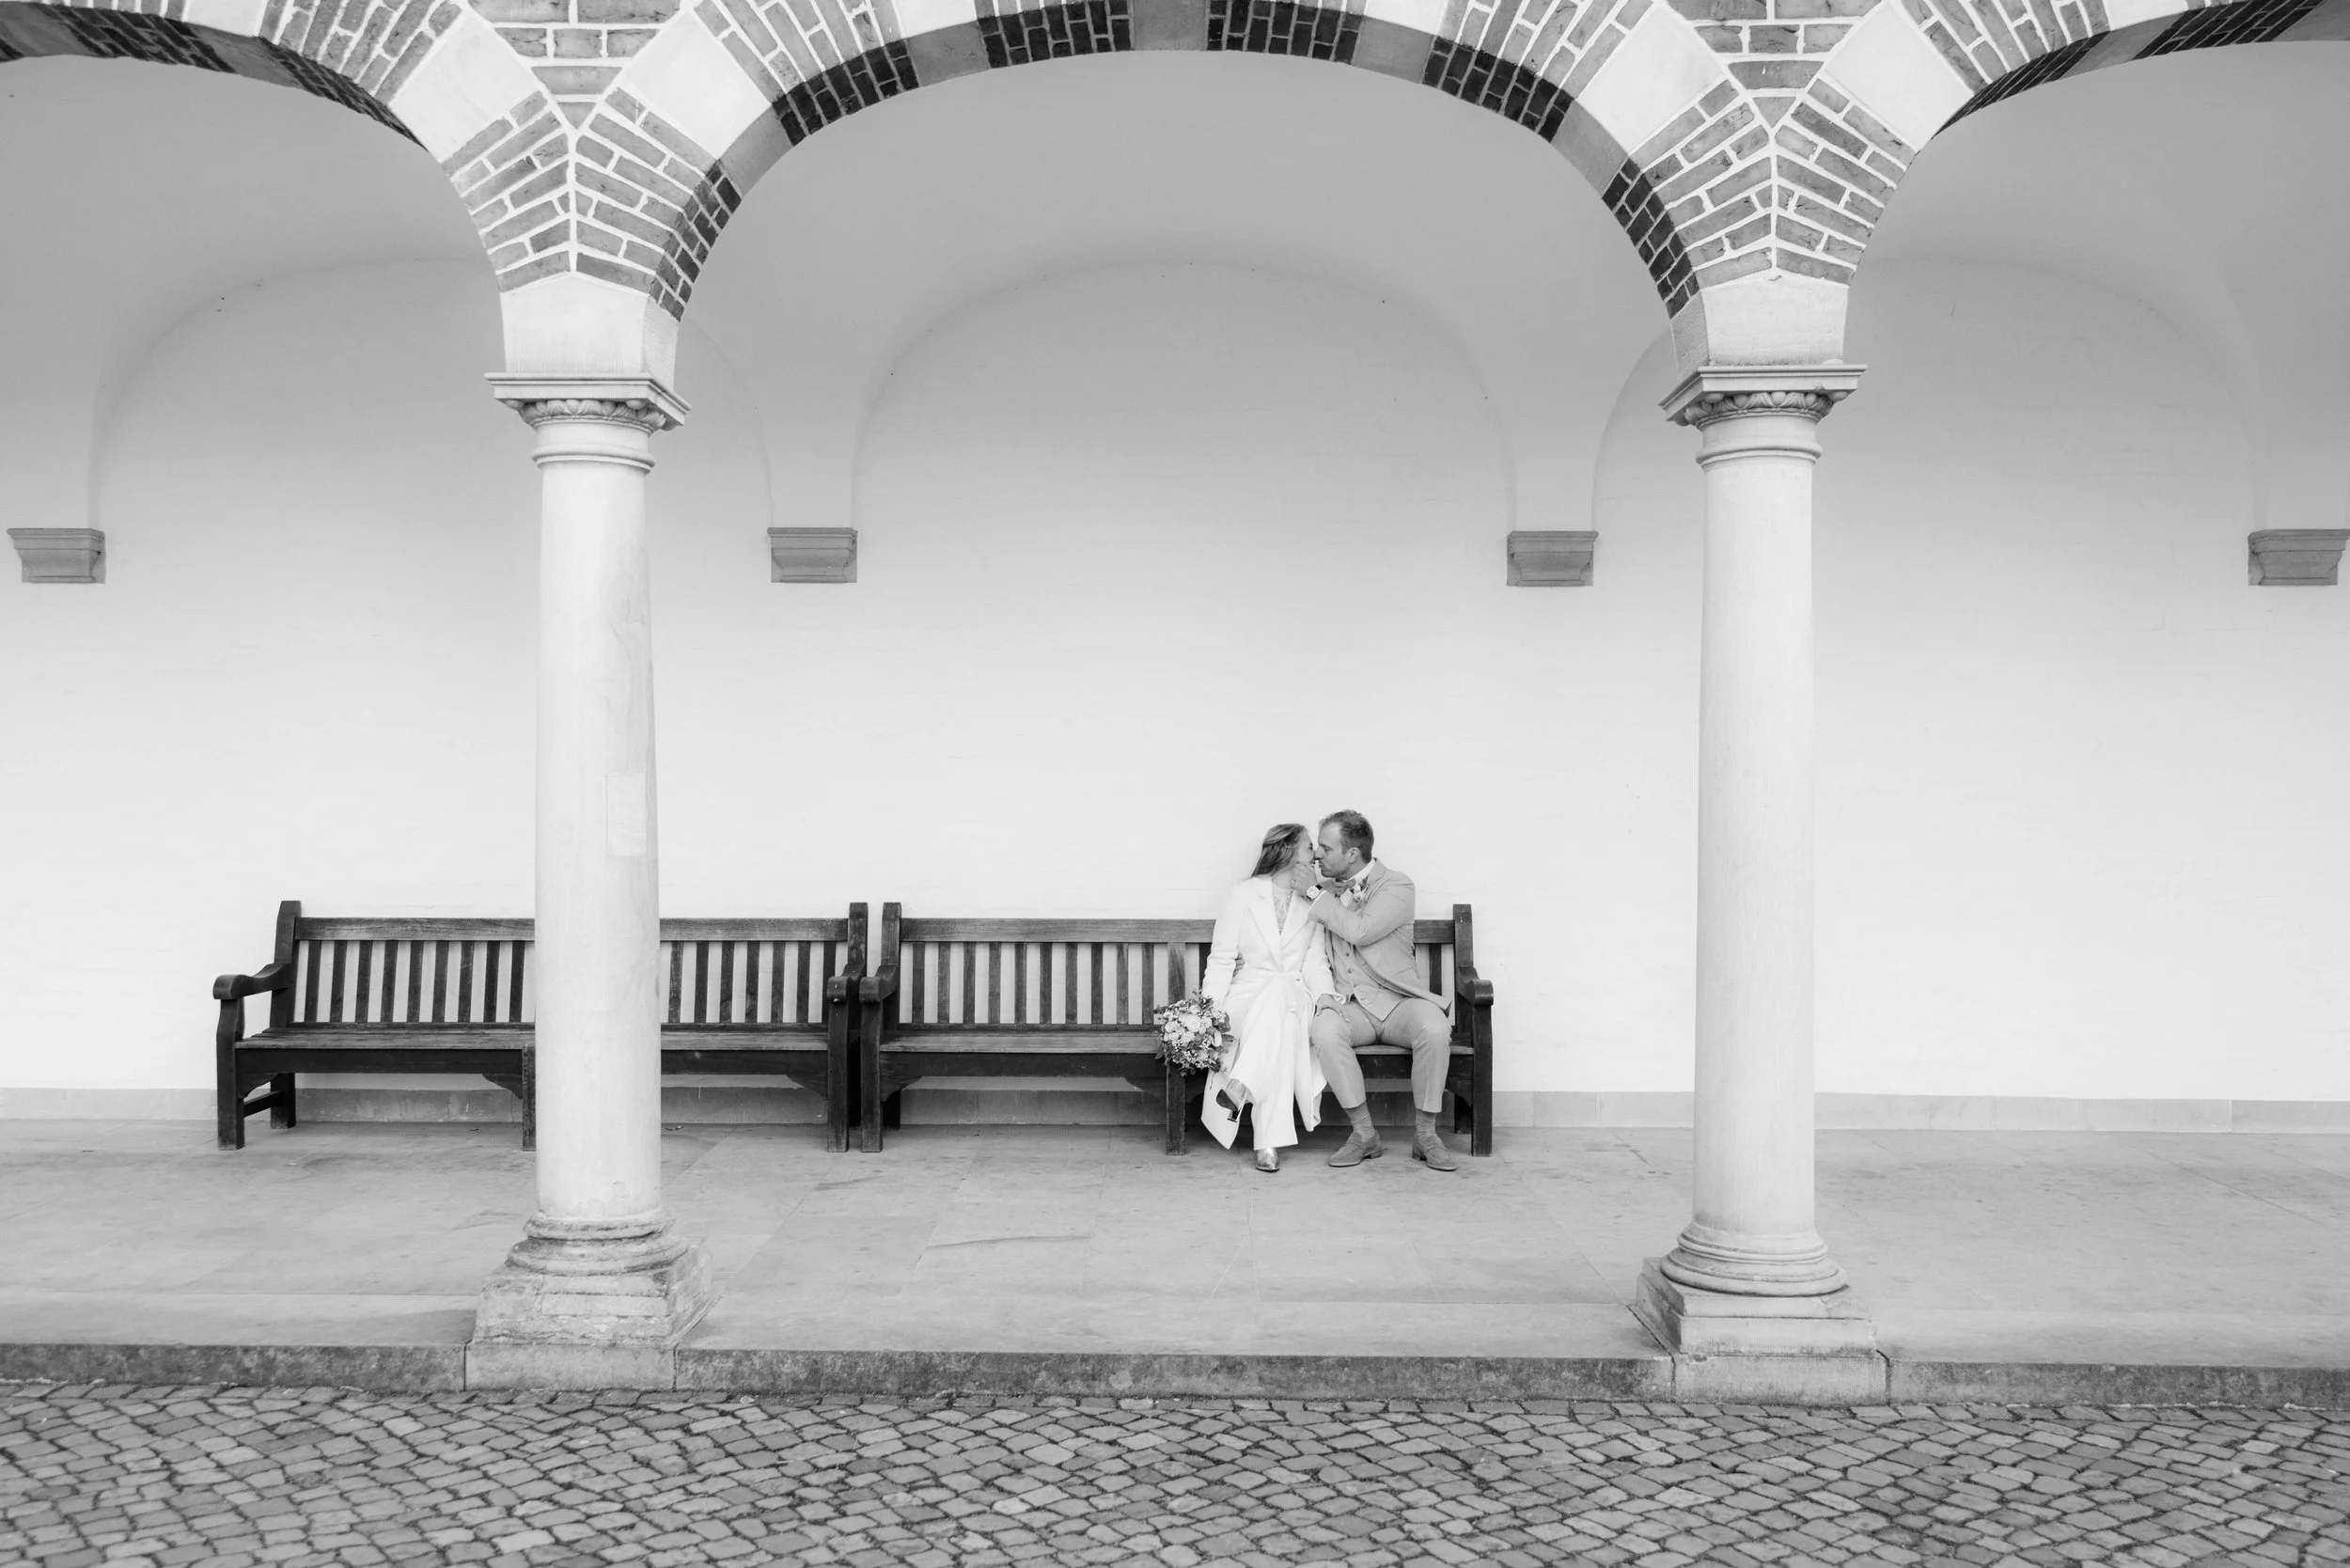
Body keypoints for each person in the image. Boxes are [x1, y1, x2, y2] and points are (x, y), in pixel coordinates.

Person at [1302, 809, 1459, 1171]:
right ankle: (1364, 1133)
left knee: (1435, 1029)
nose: (1316, 855)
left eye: (1325, 848)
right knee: (1324, 1030)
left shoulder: (1398, 886)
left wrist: (1311, 892)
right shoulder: (1324, 893)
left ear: (1352, 853)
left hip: (1399, 1002)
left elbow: (1361, 930)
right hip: (1351, 1005)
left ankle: (1426, 1134)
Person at [1198, 823, 1333, 1173]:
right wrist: (1208, 1014)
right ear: (1288, 851)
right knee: (1281, 1029)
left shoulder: (1314, 900)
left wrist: (1327, 999)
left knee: (1280, 993)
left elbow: (1315, 963)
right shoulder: (1243, 895)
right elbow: (1223, 958)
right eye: (1308, 847)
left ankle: (1240, 1085)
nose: (1315, 854)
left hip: (1294, 993)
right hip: (1247, 999)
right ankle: (1266, 1142)